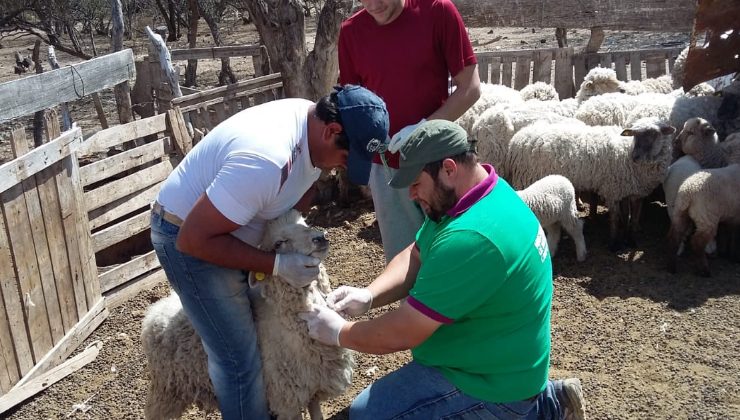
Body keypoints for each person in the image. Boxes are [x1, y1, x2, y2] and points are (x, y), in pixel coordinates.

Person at [300, 120, 586, 419]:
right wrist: (369, 295)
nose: (411, 194)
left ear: (449, 169)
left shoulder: (473, 237)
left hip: (490, 386)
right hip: (497, 360)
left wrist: (340, 333)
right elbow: (417, 253)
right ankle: (546, 404)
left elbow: (403, 331)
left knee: (366, 415)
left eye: (416, 183)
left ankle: (532, 411)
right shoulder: (485, 194)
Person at [149, 85, 389, 420]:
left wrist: (295, 242)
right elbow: (194, 239)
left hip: (235, 224)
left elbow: (295, 196)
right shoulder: (266, 160)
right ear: (332, 131)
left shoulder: (310, 125)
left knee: (268, 331)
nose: (341, 169)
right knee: (237, 358)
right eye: (347, 158)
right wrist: (276, 263)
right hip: (187, 233)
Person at [338, 0, 482, 262]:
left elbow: (470, 88)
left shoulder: (438, 11)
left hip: (440, 163)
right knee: (404, 258)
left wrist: (423, 129)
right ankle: (413, 304)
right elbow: (353, 101)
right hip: (387, 168)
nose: (371, 4)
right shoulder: (351, 32)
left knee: (456, 251)